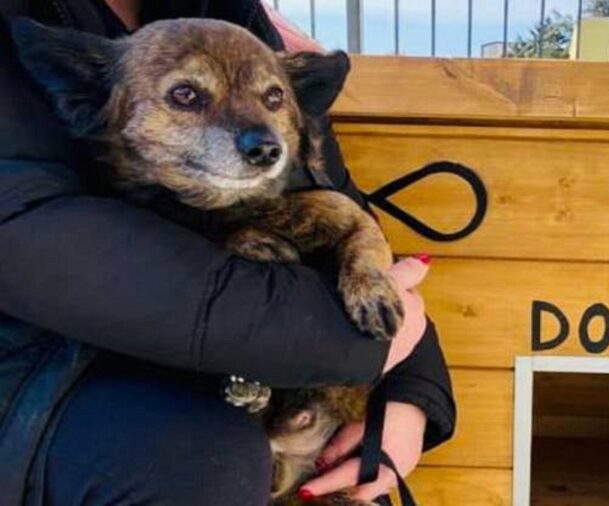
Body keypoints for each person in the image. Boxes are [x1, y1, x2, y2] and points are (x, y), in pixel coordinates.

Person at [0, 0, 456, 504]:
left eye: (271, 99)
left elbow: (340, 204)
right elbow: (25, 228)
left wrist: (409, 390)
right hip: (42, 380)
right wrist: (350, 346)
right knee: (198, 458)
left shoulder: (233, 12)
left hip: (260, 364)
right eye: (187, 95)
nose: (259, 137)